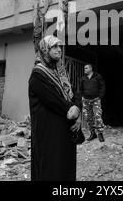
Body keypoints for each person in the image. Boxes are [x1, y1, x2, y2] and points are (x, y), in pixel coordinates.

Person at [28, 35, 82, 181]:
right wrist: (74, 109)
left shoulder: (60, 73)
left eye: (60, 46)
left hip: (64, 130)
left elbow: (74, 93)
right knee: (51, 169)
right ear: (45, 50)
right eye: (54, 47)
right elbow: (55, 101)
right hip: (48, 133)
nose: (59, 50)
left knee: (65, 168)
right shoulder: (38, 75)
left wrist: (77, 110)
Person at [79, 64, 106, 142]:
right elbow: (80, 89)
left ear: (91, 69)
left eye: (86, 68)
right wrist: (82, 97)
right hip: (86, 100)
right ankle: (92, 133)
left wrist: (100, 96)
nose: (84, 69)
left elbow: (102, 86)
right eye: (84, 68)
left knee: (98, 116)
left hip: (95, 100)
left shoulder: (98, 77)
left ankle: (100, 134)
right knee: (88, 118)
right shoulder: (83, 78)